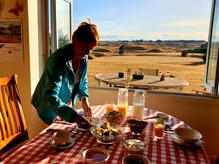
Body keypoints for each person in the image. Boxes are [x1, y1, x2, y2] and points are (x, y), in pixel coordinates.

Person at [32, 21, 99, 125]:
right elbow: (50, 96)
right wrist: (73, 116)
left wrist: (84, 100)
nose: (88, 53)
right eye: (85, 48)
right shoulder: (58, 60)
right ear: (75, 41)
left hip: (65, 107)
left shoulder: (83, 59)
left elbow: (82, 82)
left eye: (91, 49)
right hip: (48, 108)